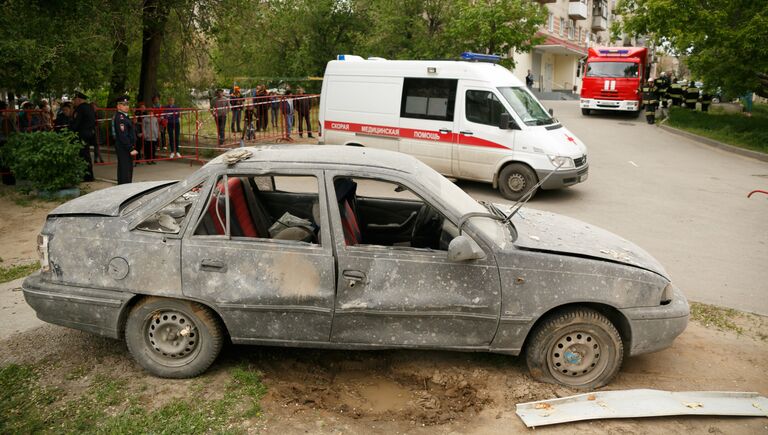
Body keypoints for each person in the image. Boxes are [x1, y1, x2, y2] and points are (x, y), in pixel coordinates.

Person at [70, 91, 95, 181]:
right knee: (86, 155)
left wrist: (70, 132)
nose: (74, 101)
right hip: (89, 134)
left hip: (81, 134)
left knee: (83, 155)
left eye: (75, 100)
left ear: (79, 99)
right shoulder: (90, 107)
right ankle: (89, 175)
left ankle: (87, 176)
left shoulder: (80, 108)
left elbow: (76, 123)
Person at [112, 95, 138, 184]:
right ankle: (124, 189)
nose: (126, 106)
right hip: (124, 148)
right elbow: (123, 135)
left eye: (127, 104)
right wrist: (130, 148)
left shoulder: (124, 116)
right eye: (123, 104)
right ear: (118, 106)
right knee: (125, 170)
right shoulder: (120, 118)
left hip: (125, 147)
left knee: (126, 169)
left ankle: (125, 186)